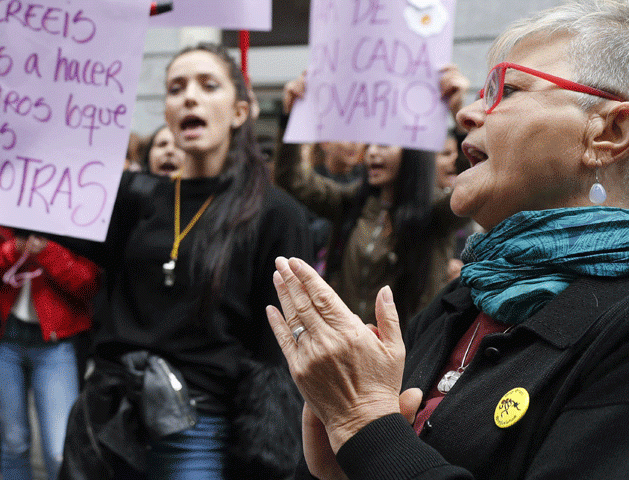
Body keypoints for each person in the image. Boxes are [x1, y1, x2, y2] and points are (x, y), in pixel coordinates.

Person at [264, 2, 629, 478]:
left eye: (509, 90)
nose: (467, 113)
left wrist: (364, 424)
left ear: (610, 131)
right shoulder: (463, 299)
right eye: (480, 93)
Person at [58, 43, 314, 479]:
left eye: (207, 85)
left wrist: (268, 444)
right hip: (110, 419)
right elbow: (33, 203)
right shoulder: (131, 197)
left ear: (239, 111)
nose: (189, 97)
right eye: (176, 88)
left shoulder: (276, 214)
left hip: (200, 427)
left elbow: (280, 341)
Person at [276, 69, 470, 321]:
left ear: (412, 153)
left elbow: (470, 190)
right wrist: (291, 116)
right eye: (370, 145)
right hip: (348, 341)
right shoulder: (351, 202)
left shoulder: (434, 213)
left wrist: (460, 120)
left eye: (384, 145)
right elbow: (292, 179)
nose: (372, 154)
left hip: (406, 351)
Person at [0, 228, 98, 480]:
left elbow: (89, 284)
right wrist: (13, 250)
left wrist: (49, 252)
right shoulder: (4, 217)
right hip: (5, 342)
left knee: (59, 449)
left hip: (55, 348)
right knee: (13, 443)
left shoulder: (76, 224)